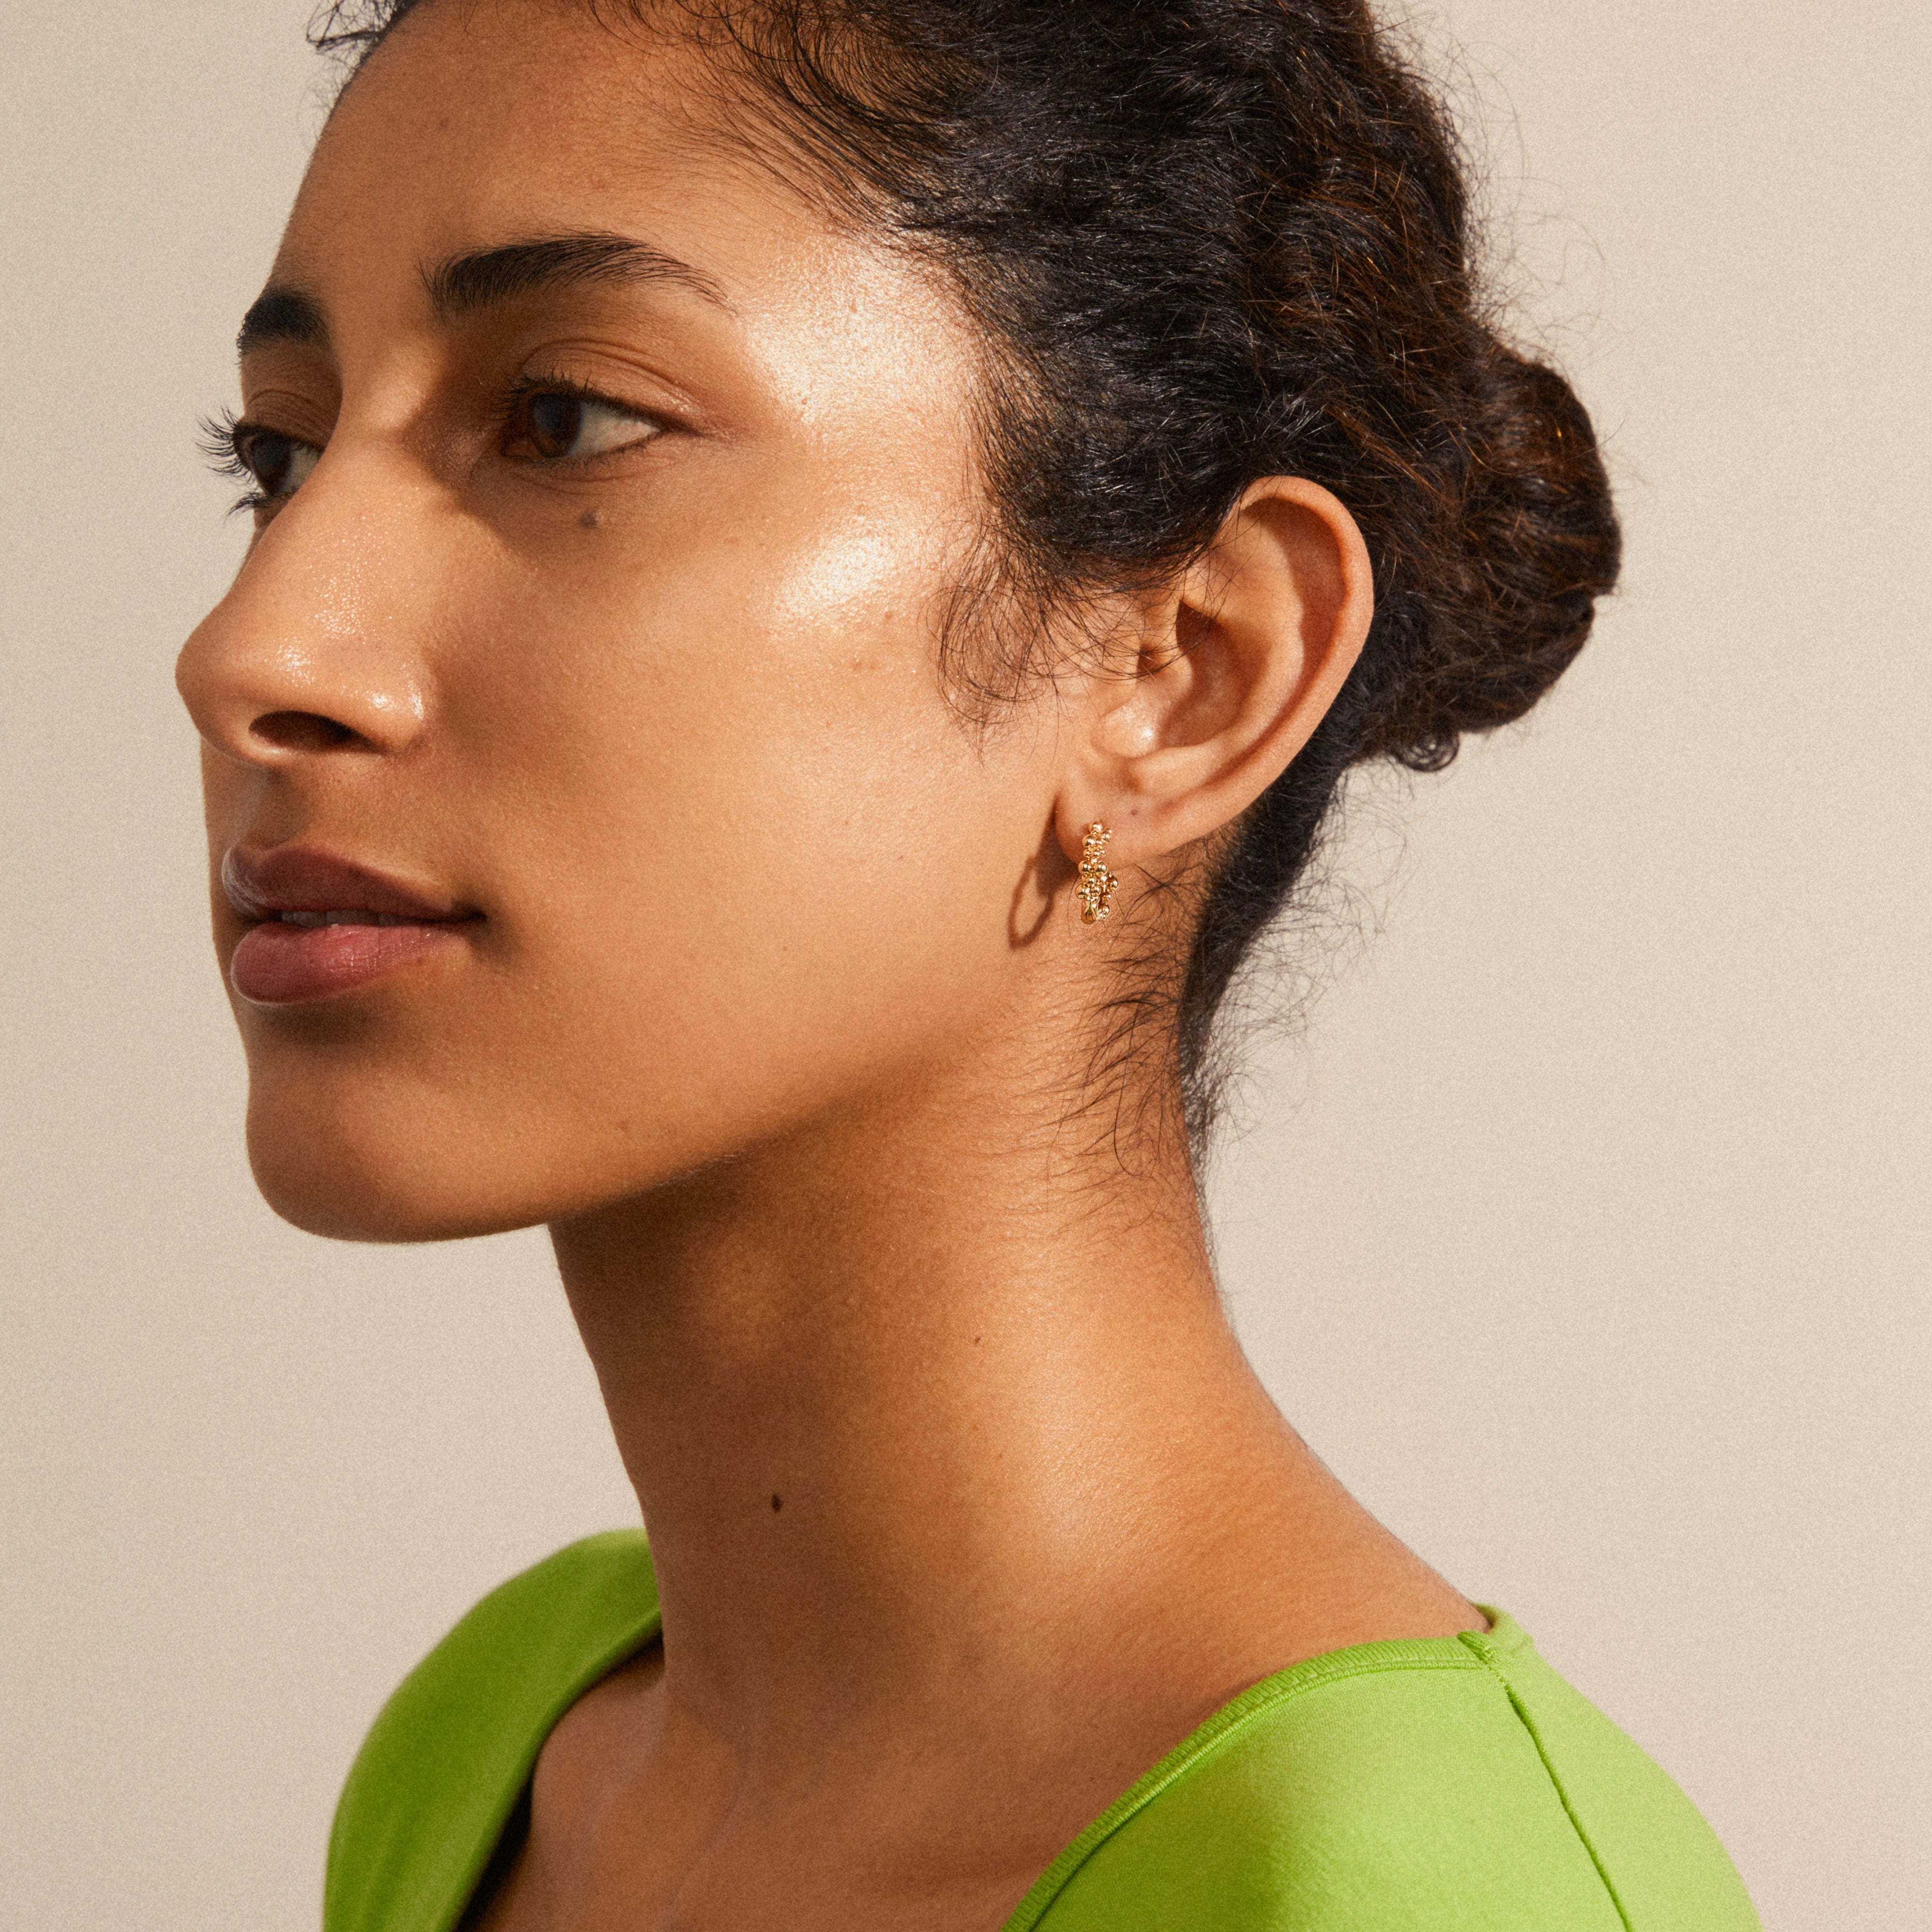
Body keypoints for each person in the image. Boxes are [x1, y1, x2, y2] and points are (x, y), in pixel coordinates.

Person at [174, 0, 1761, 1926]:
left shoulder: (1403, 1897)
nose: (258, 646)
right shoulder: (505, 1745)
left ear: (1186, 671)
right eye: (281, 452)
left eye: (565, 418)